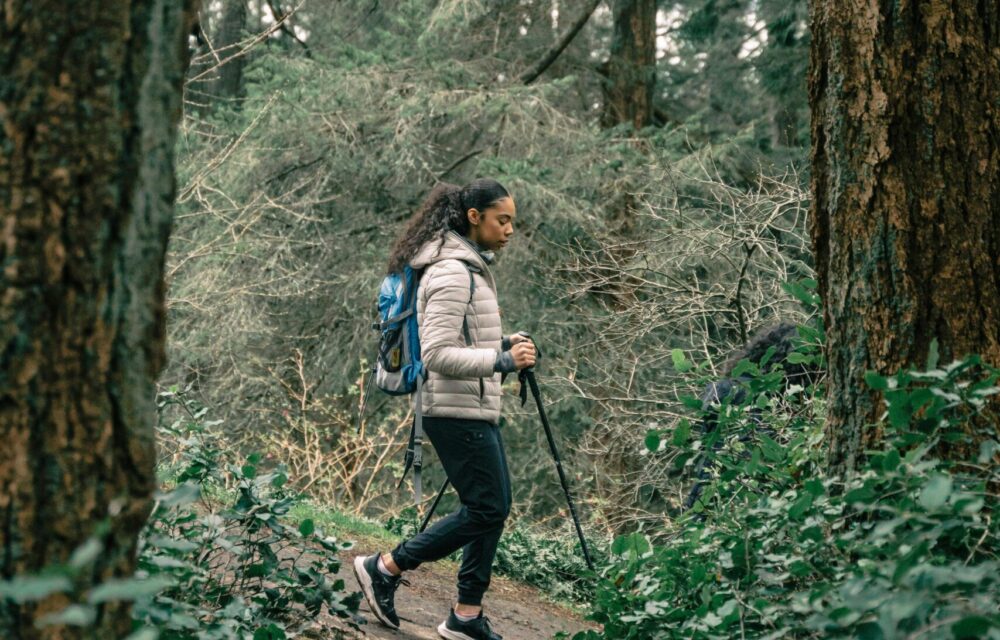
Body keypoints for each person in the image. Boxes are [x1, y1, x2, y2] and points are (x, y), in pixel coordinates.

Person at [353, 178, 535, 640]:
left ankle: (466, 615)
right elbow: (436, 355)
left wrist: (503, 343)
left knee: (491, 507)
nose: (510, 229)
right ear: (474, 218)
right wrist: (501, 360)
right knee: (487, 508)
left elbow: (462, 339)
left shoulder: (467, 266)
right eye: (503, 220)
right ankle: (386, 566)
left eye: (512, 220)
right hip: (451, 410)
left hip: (471, 408)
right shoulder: (453, 271)